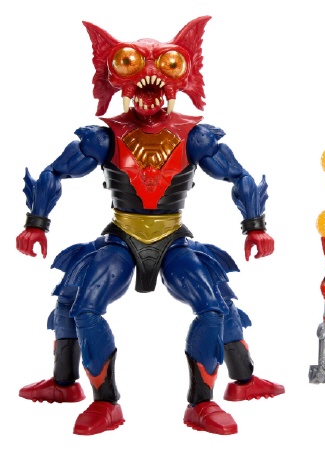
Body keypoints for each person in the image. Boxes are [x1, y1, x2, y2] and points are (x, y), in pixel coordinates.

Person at [16, 16, 284, 436]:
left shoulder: (195, 137)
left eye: (167, 66)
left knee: (215, 303)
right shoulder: (104, 137)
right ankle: (87, 395)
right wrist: (36, 223)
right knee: (78, 300)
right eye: (132, 64)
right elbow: (55, 173)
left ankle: (222, 393)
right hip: (121, 238)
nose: (151, 81)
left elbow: (240, 176)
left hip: (173, 239)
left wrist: (255, 226)